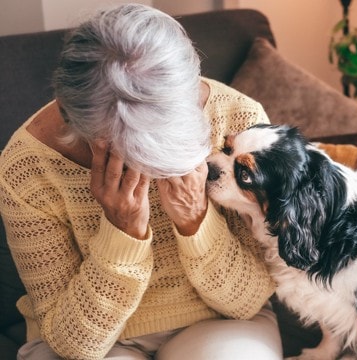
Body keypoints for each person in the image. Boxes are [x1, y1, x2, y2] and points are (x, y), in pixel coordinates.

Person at [0, 4, 282, 360]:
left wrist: (195, 220)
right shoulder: (26, 167)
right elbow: (74, 346)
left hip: (220, 320)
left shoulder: (238, 123)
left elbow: (248, 301)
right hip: (94, 341)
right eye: (123, 148)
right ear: (75, 122)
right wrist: (122, 233)